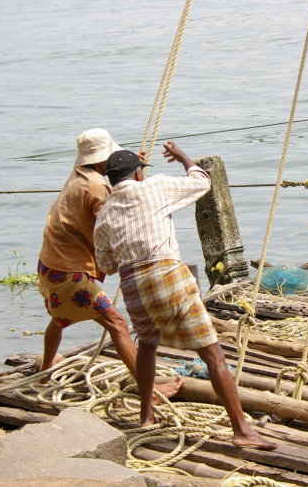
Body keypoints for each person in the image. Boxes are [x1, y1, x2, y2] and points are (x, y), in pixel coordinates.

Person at [93, 142, 276, 450]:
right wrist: (183, 158)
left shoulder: (103, 215)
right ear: (138, 175)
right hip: (165, 275)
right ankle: (242, 429)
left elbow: (106, 265)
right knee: (212, 354)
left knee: (148, 345)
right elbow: (202, 182)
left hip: (133, 287)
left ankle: (146, 415)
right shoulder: (154, 187)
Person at [35, 128, 182, 401]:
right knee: (117, 324)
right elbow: (115, 217)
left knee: (59, 318)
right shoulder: (97, 186)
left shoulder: (79, 176)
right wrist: (133, 180)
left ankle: (44, 371)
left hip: (49, 266)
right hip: (70, 273)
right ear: (102, 161)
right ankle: (148, 391)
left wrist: (127, 169)